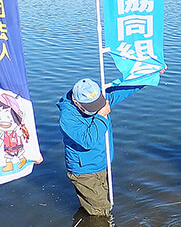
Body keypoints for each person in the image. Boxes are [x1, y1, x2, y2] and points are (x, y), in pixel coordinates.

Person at [57, 77, 146, 217]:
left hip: (102, 164)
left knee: (101, 201)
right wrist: (101, 116)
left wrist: (149, 76)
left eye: (98, 103)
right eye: (91, 106)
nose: (98, 108)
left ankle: (90, 216)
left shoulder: (101, 100)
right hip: (85, 171)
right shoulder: (68, 118)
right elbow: (88, 141)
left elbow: (122, 90)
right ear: (76, 102)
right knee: (101, 212)